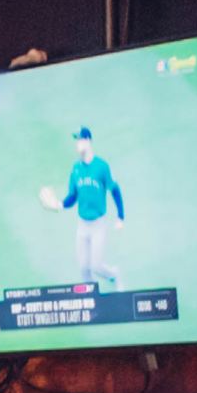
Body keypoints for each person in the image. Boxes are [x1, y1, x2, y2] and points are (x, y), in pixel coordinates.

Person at [42, 125, 123, 293]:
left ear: (88, 141)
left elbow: (115, 190)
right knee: (84, 269)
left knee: (97, 266)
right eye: (76, 141)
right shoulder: (76, 169)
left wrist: (120, 216)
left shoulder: (101, 167)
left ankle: (114, 274)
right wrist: (59, 204)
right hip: (82, 225)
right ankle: (93, 298)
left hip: (98, 224)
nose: (77, 144)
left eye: (80, 140)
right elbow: (72, 196)